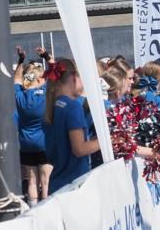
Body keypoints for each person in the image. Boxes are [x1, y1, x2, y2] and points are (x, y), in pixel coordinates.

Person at [44, 58, 99, 194]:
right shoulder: (73, 107)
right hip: (74, 184)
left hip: (57, 183)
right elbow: (79, 149)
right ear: (74, 77)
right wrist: (107, 140)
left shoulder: (52, 106)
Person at [14, 46, 51, 207]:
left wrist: (21, 61)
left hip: (26, 143)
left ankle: (33, 209)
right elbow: (58, 73)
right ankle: (46, 208)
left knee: (32, 181)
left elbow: (16, 80)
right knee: (46, 180)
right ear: (37, 79)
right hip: (44, 142)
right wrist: (47, 57)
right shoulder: (45, 92)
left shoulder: (20, 96)